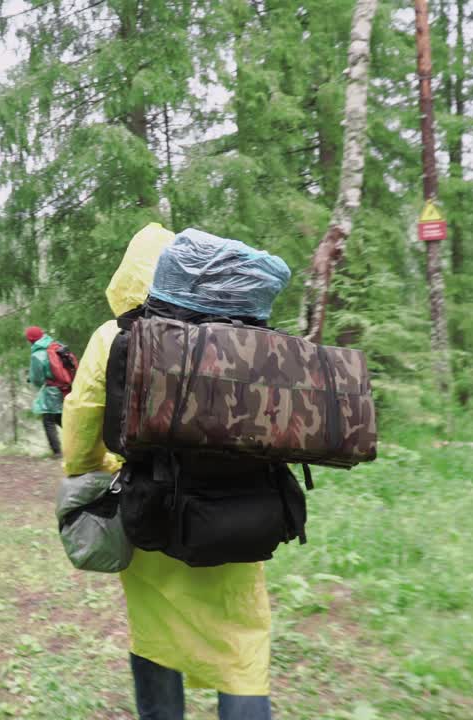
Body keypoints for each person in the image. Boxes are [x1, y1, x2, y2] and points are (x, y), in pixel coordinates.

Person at [62, 223, 275, 719]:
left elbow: (81, 421)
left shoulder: (112, 334)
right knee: (241, 642)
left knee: (156, 632)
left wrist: (93, 473)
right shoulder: (238, 332)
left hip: (151, 508)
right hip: (242, 508)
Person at [25, 326, 65, 456]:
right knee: (61, 418)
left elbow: (37, 379)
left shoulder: (37, 355)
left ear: (31, 340)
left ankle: (57, 452)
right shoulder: (56, 345)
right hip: (65, 387)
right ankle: (83, 444)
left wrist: (30, 378)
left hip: (51, 391)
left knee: (48, 420)